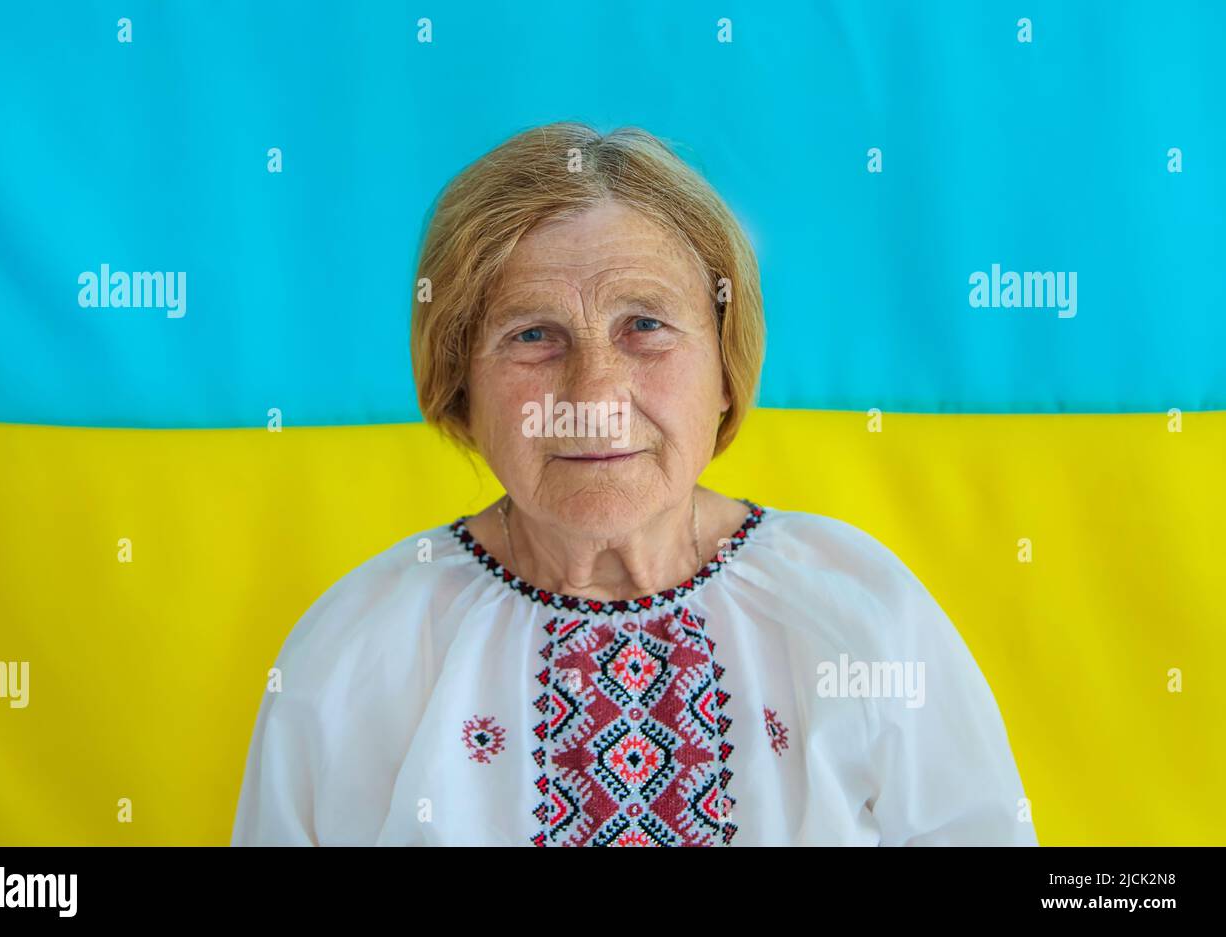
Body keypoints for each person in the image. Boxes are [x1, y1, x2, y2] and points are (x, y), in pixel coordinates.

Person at [231, 122, 1036, 846]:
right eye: (533, 335)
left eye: (645, 325)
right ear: (460, 384)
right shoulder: (354, 652)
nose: (594, 396)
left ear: (725, 368)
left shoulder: (857, 609)